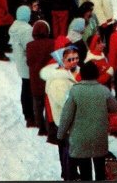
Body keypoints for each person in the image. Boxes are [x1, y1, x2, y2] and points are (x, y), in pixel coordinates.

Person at [57, 61, 117, 181]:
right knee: (100, 168)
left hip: (80, 137)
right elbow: (115, 108)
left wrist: (60, 135)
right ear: (97, 74)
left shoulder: (75, 91)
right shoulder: (103, 90)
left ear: (82, 74)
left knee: (85, 169)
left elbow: (67, 116)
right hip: (99, 136)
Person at [40, 45, 81, 181]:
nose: (74, 61)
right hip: (65, 121)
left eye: (76, 58)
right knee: (68, 151)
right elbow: (65, 103)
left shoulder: (66, 74)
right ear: (61, 61)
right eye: (70, 59)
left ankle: (68, 173)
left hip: (65, 121)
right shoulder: (59, 81)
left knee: (66, 149)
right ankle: (69, 176)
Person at [26, 19, 53, 136]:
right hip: (48, 78)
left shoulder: (29, 46)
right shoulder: (52, 43)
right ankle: (48, 127)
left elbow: (28, 62)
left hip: (35, 78)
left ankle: (40, 127)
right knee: (48, 104)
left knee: (37, 104)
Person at [10, 5, 35, 126]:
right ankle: (30, 115)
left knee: (25, 87)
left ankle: (27, 113)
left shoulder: (14, 27)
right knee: (29, 90)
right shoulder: (26, 29)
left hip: (20, 62)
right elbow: (30, 47)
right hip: (27, 63)